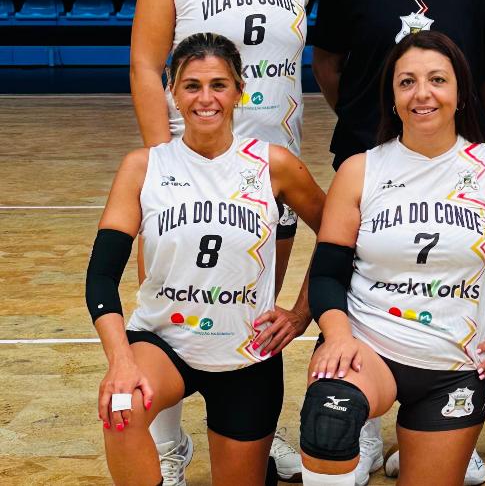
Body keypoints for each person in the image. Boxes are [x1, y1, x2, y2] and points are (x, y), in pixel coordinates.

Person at [128, 0, 485, 483]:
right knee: (168, 299)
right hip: (192, 160)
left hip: (272, 168)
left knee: (253, 316)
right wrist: (163, 158)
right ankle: (166, 447)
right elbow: (143, 60)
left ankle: (250, 435)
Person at [309, 0, 485, 483]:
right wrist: (375, 123)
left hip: (450, 155)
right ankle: (363, 425)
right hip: (370, 149)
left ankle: (444, 418)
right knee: (361, 278)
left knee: (450, 268)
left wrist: (448, 129)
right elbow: (329, 65)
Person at [296, 31, 485, 486]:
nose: (422, 93)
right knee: (328, 424)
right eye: (407, 82)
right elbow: (328, 272)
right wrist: (335, 336)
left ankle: (410, 452)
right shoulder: (361, 170)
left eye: (437, 79)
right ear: (392, 96)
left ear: (460, 92)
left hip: (452, 365)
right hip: (369, 344)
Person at [86, 33, 326, 486]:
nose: (205, 98)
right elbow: (101, 277)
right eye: (191, 85)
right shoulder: (144, 167)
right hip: (163, 342)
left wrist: (300, 313)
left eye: (218, 85)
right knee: (121, 407)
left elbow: (339, 236)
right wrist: (120, 361)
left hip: (247, 353)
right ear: (172, 91)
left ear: (239, 90)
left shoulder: (273, 165)